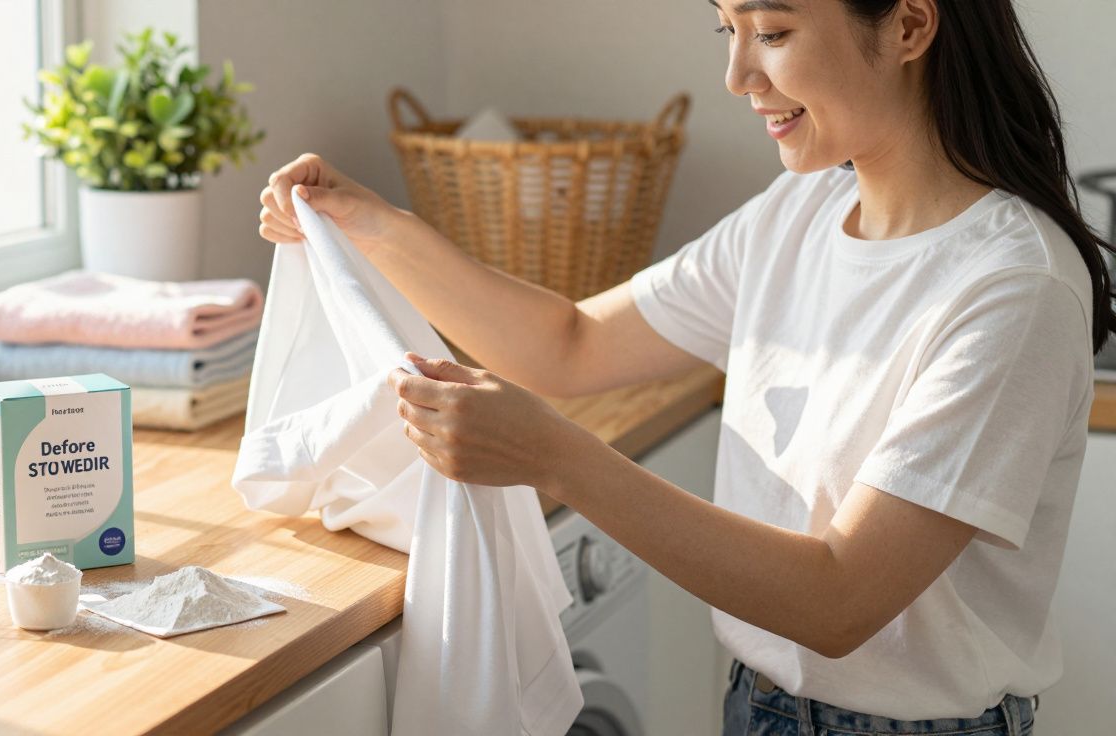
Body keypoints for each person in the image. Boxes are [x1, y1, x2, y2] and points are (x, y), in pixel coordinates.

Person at [256, 0, 1113, 733]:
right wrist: (372, 225)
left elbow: (840, 600)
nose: (740, 74)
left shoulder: (1013, 288)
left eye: (771, 31)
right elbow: (568, 343)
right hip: (755, 702)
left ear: (910, 25)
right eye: (725, 30)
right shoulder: (803, 210)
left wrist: (554, 455)